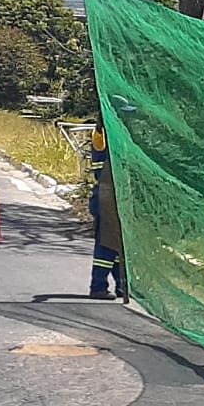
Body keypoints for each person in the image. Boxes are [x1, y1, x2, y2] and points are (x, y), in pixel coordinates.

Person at [87, 119, 126, 300]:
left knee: (119, 246)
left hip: (118, 196)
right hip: (107, 196)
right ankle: (98, 287)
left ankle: (122, 286)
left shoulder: (121, 138)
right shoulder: (101, 135)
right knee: (107, 245)